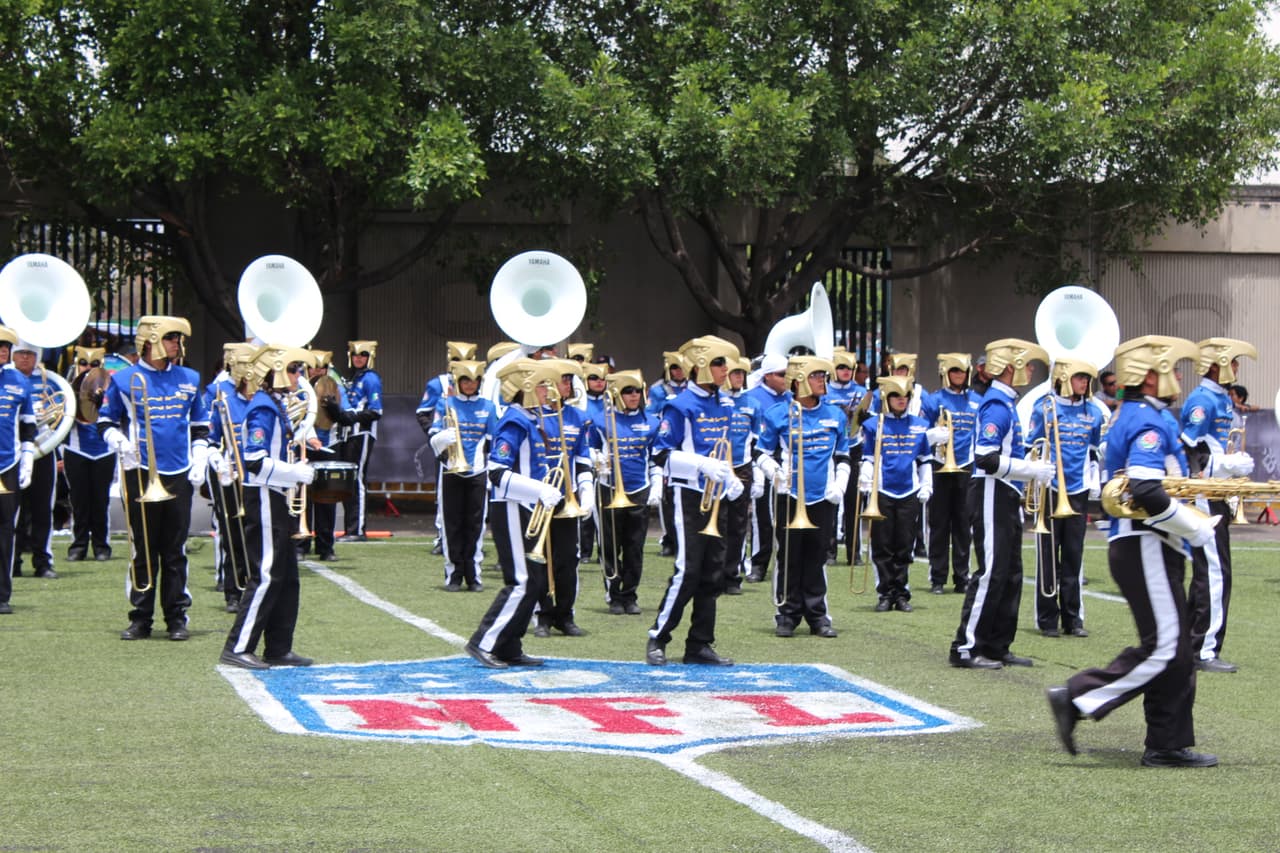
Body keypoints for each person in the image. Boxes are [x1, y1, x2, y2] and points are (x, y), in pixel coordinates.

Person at [1047, 335, 1221, 768]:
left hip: (1151, 544)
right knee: (1165, 649)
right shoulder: (1146, 419)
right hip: (1146, 542)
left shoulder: (1142, 415)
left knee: (1177, 651)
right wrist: (1194, 527)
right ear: (1150, 376)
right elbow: (1144, 489)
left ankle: (1166, 744)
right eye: (1172, 370)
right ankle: (1078, 697)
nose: (1178, 378)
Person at [98, 316, 210, 641]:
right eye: (172, 338)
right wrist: (119, 442)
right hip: (140, 471)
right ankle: (140, 618)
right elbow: (105, 421)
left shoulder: (189, 377)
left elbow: (200, 424)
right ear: (150, 341)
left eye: (178, 338)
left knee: (175, 549)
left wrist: (200, 453)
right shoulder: (124, 379)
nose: (177, 344)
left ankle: (177, 618)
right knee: (142, 548)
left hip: (178, 474)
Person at [949, 338, 1052, 669]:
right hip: (992, 490)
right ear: (1012, 367)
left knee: (1011, 573)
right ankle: (966, 646)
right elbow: (986, 458)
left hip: (1004, 493)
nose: (1031, 370)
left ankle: (996, 644)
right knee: (992, 571)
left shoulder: (1005, 403)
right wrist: (1031, 470)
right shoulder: (995, 405)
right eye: (1028, 365)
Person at [646, 335, 745, 666]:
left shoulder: (725, 404)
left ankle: (699, 643)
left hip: (716, 495)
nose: (725, 370)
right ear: (702, 366)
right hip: (688, 495)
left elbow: (723, 448)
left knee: (714, 572)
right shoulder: (679, 405)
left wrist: (730, 477)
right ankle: (658, 637)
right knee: (687, 570)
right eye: (719, 363)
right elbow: (661, 455)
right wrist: (703, 465)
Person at [218, 346, 318, 669]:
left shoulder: (273, 404)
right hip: (263, 494)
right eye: (292, 370)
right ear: (275, 371)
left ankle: (278, 646)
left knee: (287, 575)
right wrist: (295, 473)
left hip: (275, 495)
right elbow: (254, 461)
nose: (298, 376)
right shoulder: (263, 408)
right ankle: (239, 646)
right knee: (266, 573)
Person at [464, 358, 566, 669]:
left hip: (527, 506)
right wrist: (539, 490)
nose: (549, 391)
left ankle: (509, 645)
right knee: (522, 580)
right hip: (510, 505)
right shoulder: (515, 421)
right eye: (543, 385)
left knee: (534, 582)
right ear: (526, 388)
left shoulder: (532, 420)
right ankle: (484, 642)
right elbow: (496, 471)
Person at [1177, 337, 1257, 673]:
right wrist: (1226, 466)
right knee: (1213, 572)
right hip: (1204, 493)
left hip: (1218, 492)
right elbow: (1189, 449)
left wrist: (1232, 462)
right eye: (1233, 361)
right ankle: (1203, 650)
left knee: (1212, 570)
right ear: (1217, 363)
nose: (1236, 368)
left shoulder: (1220, 399)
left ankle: (1194, 643)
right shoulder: (1202, 400)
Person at [756, 356, 850, 636]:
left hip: (822, 496)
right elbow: (760, 452)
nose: (823, 381)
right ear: (799, 382)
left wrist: (841, 484)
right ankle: (786, 613)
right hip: (789, 495)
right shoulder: (776, 413)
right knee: (788, 555)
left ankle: (818, 615)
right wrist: (775, 472)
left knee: (816, 555)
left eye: (823, 376)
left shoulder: (835, 415)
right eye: (816, 376)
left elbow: (843, 454)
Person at [1028, 359, 1103, 638]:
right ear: (1063, 377)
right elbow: (1032, 446)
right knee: (1048, 555)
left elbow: (1094, 450)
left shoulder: (1093, 412)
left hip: (1078, 489)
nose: (1084, 383)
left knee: (1074, 555)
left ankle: (1073, 618)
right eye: (1080, 377)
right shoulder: (1044, 407)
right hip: (1050, 489)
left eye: (1086, 378)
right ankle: (1048, 619)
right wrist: (1037, 474)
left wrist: (1094, 476)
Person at [856, 375, 933, 613]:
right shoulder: (872, 425)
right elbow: (868, 457)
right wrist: (866, 478)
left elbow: (924, 460)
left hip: (909, 491)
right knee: (882, 545)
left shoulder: (920, 425)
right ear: (886, 398)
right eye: (896, 396)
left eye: (905, 396)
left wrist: (926, 484)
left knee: (904, 545)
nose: (902, 400)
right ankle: (885, 593)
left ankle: (901, 593)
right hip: (882, 491)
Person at [532, 358, 592, 638]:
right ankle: (542, 615)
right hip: (540, 496)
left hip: (568, 498)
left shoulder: (578, 418)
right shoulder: (533, 415)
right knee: (541, 558)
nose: (566, 385)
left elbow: (582, 457)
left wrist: (586, 487)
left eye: (569, 380)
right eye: (561, 379)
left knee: (569, 557)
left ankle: (565, 615)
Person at [591, 369, 660, 615]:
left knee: (634, 547)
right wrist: (597, 459)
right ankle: (613, 594)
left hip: (638, 489)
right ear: (617, 393)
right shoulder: (601, 420)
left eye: (637, 391)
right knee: (609, 545)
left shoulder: (651, 421)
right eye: (628, 391)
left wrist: (657, 484)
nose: (633, 396)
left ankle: (630, 595)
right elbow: (589, 449)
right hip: (609, 489)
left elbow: (654, 457)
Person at [428, 359, 495, 591]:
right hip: (450, 471)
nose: (469, 384)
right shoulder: (445, 403)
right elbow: (433, 437)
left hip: (477, 471)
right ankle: (454, 575)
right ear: (458, 381)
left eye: (474, 380)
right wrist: (442, 439)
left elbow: (492, 442)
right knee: (451, 524)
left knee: (475, 525)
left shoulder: (488, 407)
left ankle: (474, 575)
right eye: (465, 380)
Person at [920, 354, 980, 595]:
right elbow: (921, 433)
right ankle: (937, 577)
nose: (959, 376)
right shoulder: (934, 400)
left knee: (964, 525)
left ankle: (961, 576)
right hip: (940, 465)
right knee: (939, 523)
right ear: (946, 373)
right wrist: (935, 434)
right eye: (955, 371)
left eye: (962, 372)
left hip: (967, 466)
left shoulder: (977, 400)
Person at [204, 344, 258, 612]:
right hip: (229, 473)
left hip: (258, 475)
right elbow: (211, 437)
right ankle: (234, 591)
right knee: (232, 534)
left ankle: (257, 587)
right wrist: (217, 460)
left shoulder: (265, 397)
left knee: (257, 535)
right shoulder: (220, 394)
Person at [416, 341, 477, 556]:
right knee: (444, 495)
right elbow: (423, 413)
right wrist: (437, 438)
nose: (460, 365)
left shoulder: (479, 382)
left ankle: (469, 540)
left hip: (472, 448)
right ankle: (443, 538)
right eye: (456, 360)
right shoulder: (437, 384)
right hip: (446, 448)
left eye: (465, 360)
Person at [12, 340, 61, 579]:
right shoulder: (7, 380)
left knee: (43, 509)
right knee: (13, 510)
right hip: (15, 452)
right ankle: (13, 561)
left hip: (44, 449)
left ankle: (43, 561)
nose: (24, 358)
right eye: (20, 353)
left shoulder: (49, 381)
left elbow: (62, 413)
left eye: (30, 354)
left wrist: (45, 415)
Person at [324, 340, 382, 541]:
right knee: (350, 480)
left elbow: (376, 411)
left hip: (362, 433)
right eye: (356, 354)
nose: (359, 358)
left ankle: (357, 529)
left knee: (357, 479)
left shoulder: (370, 379)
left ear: (370, 357)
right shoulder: (354, 378)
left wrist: (352, 416)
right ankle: (351, 528)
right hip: (350, 433)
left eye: (363, 354)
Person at [0, 324, 38, 615]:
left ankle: (1, 594)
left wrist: (27, 457)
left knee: (5, 531)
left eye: (6, 347)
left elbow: (28, 425)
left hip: (7, 464)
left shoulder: (18, 381)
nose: (3, 351)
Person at [743, 353, 791, 583]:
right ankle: (758, 564)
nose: (786, 378)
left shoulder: (793, 399)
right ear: (768, 375)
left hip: (788, 460)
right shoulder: (751, 398)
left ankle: (786, 563)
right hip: (761, 458)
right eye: (782, 374)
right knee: (762, 514)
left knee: (786, 515)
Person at [63, 346, 114, 562]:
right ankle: (79, 545)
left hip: (104, 450)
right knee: (79, 500)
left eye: (94, 364)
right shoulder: (66, 387)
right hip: (76, 448)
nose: (88, 368)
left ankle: (101, 545)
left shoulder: (112, 386)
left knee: (101, 500)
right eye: (84, 363)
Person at [299, 349, 345, 562]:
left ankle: (326, 546)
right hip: (303, 446)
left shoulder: (335, 386)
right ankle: (301, 543)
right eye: (314, 366)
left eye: (322, 367)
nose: (318, 370)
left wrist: (335, 407)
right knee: (303, 496)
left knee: (327, 498)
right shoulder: (298, 387)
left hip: (329, 445)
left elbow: (347, 416)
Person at [720, 356, 761, 594]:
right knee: (718, 521)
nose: (739, 378)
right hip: (718, 466)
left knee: (738, 524)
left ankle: (732, 576)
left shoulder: (752, 403)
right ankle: (715, 574)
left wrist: (756, 471)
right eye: (735, 373)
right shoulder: (718, 401)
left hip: (742, 466)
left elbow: (756, 441)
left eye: (742, 374)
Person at [648, 351, 688, 557]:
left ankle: (684, 539)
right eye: (674, 367)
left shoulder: (693, 387)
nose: (678, 371)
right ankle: (669, 538)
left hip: (687, 445)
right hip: (667, 442)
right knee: (667, 497)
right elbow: (652, 416)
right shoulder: (657, 389)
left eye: (681, 367)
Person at [578, 355, 611, 564]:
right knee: (586, 505)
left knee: (604, 509)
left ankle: (604, 551)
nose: (598, 382)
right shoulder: (580, 401)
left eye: (602, 378)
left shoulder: (612, 400)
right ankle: (585, 550)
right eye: (593, 378)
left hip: (605, 460)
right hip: (584, 456)